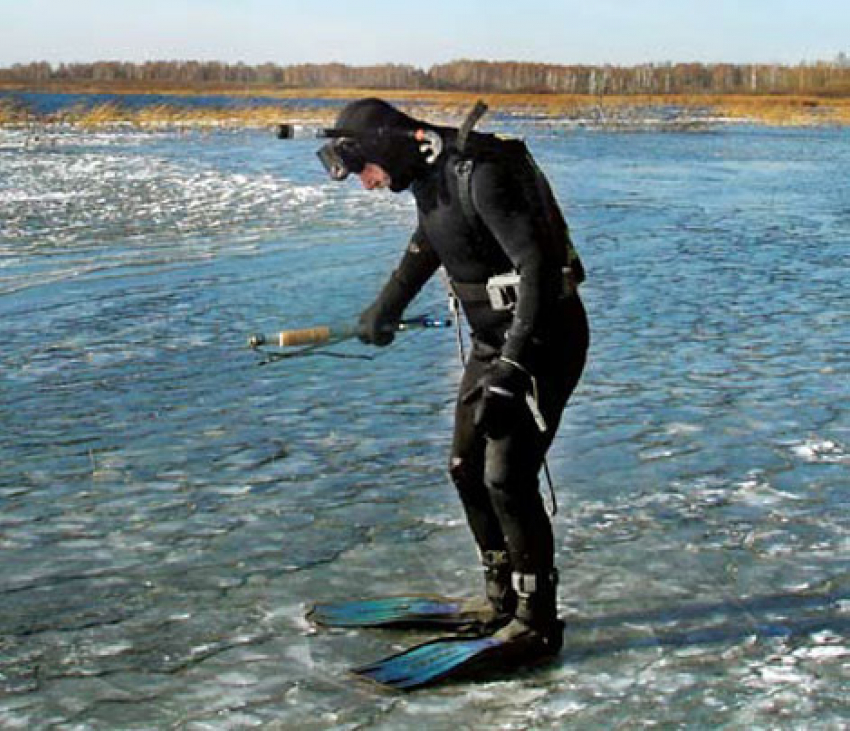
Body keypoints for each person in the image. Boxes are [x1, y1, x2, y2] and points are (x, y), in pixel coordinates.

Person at [316, 98, 590, 664]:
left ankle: (536, 621)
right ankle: (500, 601)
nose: (367, 184)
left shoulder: (480, 175)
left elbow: (537, 268)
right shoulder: (431, 180)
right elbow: (430, 242)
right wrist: (385, 307)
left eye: (365, 169)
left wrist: (513, 370)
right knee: (465, 468)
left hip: (543, 339)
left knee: (507, 479)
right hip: (494, 344)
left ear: (386, 147)